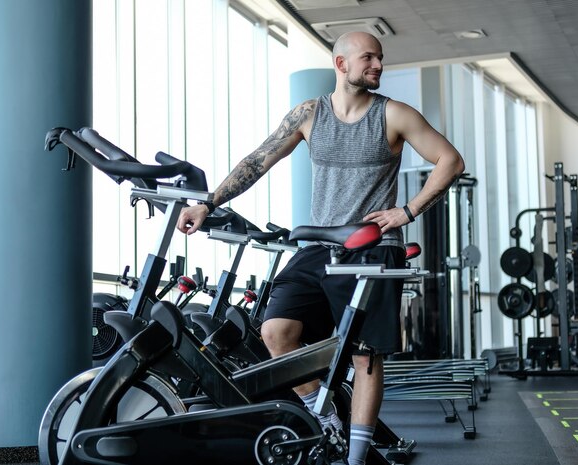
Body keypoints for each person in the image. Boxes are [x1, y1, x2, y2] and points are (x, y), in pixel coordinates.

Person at [177, 31, 465, 465]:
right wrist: (208, 202)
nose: (378, 65)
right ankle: (324, 413)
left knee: (365, 355)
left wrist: (407, 211)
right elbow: (259, 160)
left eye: (380, 58)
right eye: (368, 57)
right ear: (341, 64)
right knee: (276, 332)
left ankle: (356, 455)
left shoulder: (395, 115)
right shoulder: (309, 114)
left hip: (372, 247)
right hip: (319, 246)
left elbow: (450, 160)